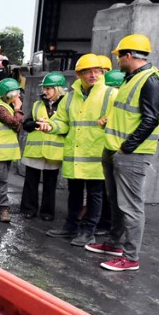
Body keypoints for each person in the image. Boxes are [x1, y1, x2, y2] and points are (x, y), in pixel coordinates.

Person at [84, 34, 159, 272]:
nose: (117, 61)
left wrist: (126, 147)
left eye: (119, 56)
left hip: (130, 154)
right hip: (115, 149)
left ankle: (130, 257)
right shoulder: (132, 79)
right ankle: (114, 244)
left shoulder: (151, 81)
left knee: (131, 206)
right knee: (117, 202)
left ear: (128, 56)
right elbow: (130, 114)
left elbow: (151, 119)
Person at [37, 53, 113, 247]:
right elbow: (63, 122)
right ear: (79, 74)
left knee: (95, 194)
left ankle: (89, 231)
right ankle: (71, 226)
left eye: (97, 71)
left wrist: (109, 121)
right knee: (75, 192)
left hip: (96, 153)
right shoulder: (70, 97)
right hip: (74, 154)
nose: (93, 75)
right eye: (88, 72)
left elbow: (120, 119)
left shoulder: (110, 94)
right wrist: (50, 126)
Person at [20, 72, 67, 220]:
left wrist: (51, 126)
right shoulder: (37, 104)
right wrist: (36, 124)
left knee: (50, 185)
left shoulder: (66, 105)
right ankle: (29, 209)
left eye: (49, 88)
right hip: (34, 151)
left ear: (58, 89)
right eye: (44, 88)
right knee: (30, 183)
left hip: (53, 153)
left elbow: (68, 126)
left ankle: (47, 213)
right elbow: (26, 124)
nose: (45, 91)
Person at [0, 78, 24, 223]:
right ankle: (3, 209)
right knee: (1, 181)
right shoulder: (1, 107)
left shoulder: (4, 106)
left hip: (2, 152)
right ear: (9, 94)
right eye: (17, 93)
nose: (18, 96)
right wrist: (18, 108)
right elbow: (15, 123)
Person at [93, 69, 125, 235]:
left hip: (123, 152)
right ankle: (107, 224)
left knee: (119, 196)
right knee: (108, 192)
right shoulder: (111, 103)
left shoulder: (124, 105)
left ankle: (111, 227)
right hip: (108, 149)